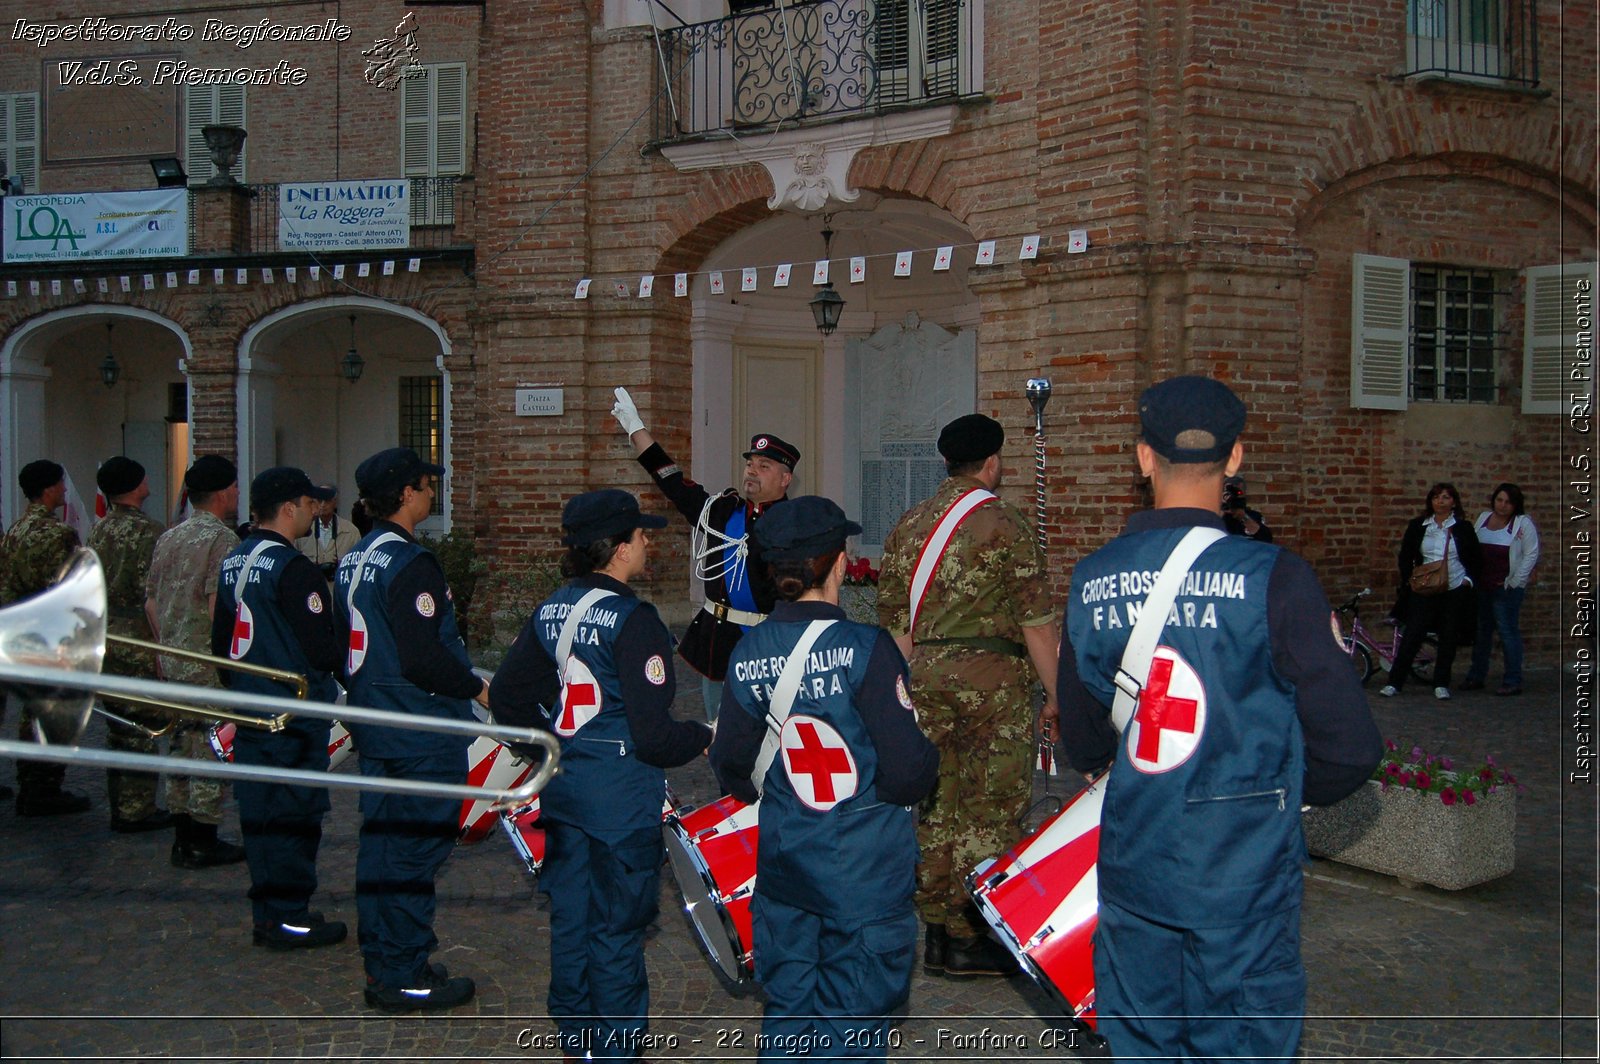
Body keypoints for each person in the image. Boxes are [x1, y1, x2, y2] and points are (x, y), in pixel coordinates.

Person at [1057, 374, 1382, 1063]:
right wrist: (1278, 794)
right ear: (1236, 460)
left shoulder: (1092, 578)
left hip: (1139, 862)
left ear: (1143, 456)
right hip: (1242, 874)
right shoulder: (1276, 577)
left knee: (1141, 1043)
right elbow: (1351, 748)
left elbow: (1084, 739)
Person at [710, 496, 939, 1061]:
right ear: (839, 563)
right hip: (863, 876)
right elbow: (911, 771)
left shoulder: (747, 652)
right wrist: (865, 804)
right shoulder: (868, 649)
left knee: (787, 1012)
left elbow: (731, 767)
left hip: (788, 869)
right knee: (853, 1020)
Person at [490, 488, 712, 1060]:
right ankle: (616, 1052)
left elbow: (509, 697)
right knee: (617, 931)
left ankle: (575, 1044)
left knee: (571, 921)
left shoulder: (556, 605)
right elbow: (655, 736)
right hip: (620, 802)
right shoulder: (635, 620)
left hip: (564, 792)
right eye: (640, 535)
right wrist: (704, 736)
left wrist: (547, 749)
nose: (647, 542)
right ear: (616, 548)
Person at [874, 413, 1059, 977]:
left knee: (935, 803)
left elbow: (894, 626)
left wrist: (910, 686)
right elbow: (1036, 623)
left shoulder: (909, 525)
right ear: (993, 463)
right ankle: (971, 934)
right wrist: (1058, 696)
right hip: (994, 687)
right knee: (990, 808)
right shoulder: (1005, 522)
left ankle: (934, 930)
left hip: (925, 679)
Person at [334, 447, 484, 1012]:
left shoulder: (355, 556)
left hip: (378, 722)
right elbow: (423, 657)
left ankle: (385, 956)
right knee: (413, 853)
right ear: (404, 494)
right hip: (419, 729)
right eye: (425, 484)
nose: (431, 493)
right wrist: (479, 689)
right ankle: (402, 972)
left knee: (381, 844)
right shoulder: (409, 562)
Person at [210, 467, 347, 951]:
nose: (316, 511)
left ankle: (268, 913)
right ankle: (290, 916)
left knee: (260, 815)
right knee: (294, 815)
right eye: (310, 504)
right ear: (289, 508)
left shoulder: (234, 558)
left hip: (250, 709)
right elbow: (321, 648)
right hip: (292, 714)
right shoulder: (294, 568)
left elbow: (220, 644)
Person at [611, 386, 795, 721]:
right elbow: (673, 482)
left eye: (763, 466)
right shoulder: (722, 512)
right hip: (717, 642)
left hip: (768, 648)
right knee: (719, 735)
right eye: (750, 463)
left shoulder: (795, 525)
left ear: (785, 478)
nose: (751, 470)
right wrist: (637, 429)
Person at [146, 454, 246, 867]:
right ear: (223, 493)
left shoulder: (169, 537)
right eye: (236, 488)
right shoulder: (222, 540)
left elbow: (151, 602)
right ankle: (203, 837)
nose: (238, 494)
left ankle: (182, 835)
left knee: (180, 746)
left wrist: (164, 645)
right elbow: (216, 607)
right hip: (207, 663)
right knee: (210, 746)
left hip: (173, 661)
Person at [0, 459, 92, 814]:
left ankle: (30, 781)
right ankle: (42, 785)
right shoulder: (58, 535)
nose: (65, 489)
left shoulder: (14, 530)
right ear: (49, 488)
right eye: (60, 483)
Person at [86, 456, 170, 833]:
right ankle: (135, 809)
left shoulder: (98, 531)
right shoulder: (150, 531)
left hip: (107, 634)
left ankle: (122, 802)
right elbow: (154, 593)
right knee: (142, 725)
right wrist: (162, 648)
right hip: (138, 633)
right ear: (136, 486)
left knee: (119, 725)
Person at [1380, 482, 1481, 700]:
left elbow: (1474, 558)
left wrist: (1467, 581)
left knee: (1448, 636)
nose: (1440, 502)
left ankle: (1441, 682)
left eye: (1445, 497)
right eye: (1436, 497)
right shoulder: (1419, 526)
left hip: (1453, 587)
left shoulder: (1462, 528)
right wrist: (1411, 578)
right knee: (1413, 634)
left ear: (1453, 501)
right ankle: (1395, 682)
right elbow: (1406, 554)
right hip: (1424, 588)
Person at [1461, 483, 1540, 697]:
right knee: (1482, 632)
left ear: (1515, 505)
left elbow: (1530, 554)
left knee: (1507, 632)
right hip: (1483, 586)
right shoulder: (1483, 519)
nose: (1503, 506)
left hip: (1505, 588)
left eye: (1508, 502)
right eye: (1499, 500)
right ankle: (1476, 675)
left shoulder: (1522, 524)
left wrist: (1514, 582)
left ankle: (1513, 679)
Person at [294, 485, 359, 583]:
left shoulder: (351, 531)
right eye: (319, 501)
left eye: (327, 501)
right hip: (311, 590)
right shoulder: (302, 530)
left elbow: (357, 567)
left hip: (338, 590)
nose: (323, 505)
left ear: (335, 502)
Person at [1221, 474, 1273, 542]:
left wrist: (1243, 517)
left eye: (1237, 493)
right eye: (1228, 494)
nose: (1233, 497)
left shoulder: (1254, 516)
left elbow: (1266, 539)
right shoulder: (1213, 517)